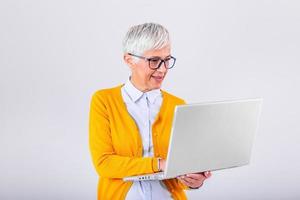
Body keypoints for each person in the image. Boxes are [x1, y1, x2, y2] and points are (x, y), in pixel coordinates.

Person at [89, 22, 211, 200]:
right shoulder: (104, 101)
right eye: (154, 61)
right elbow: (104, 163)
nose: (162, 69)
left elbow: (180, 173)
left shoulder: (178, 105)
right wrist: (160, 164)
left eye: (167, 60)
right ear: (129, 59)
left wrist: (194, 181)